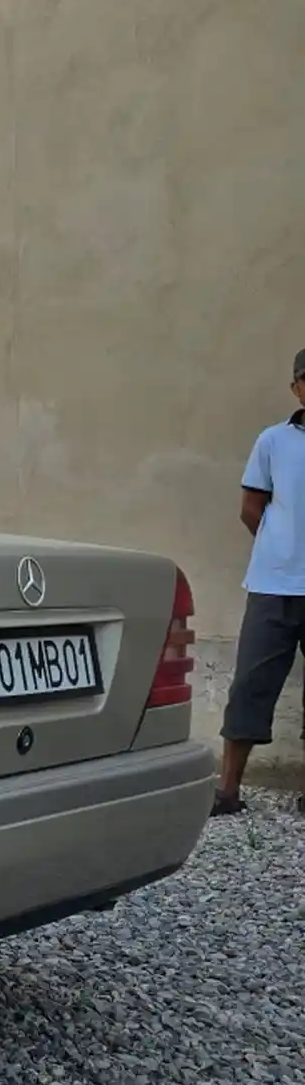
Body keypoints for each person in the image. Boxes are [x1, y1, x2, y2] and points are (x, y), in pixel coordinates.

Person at [212, 348, 305, 815]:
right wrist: (281, 548)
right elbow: (252, 507)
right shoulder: (273, 441)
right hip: (274, 586)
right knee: (250, 683)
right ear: (296, 388)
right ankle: (228, 791)